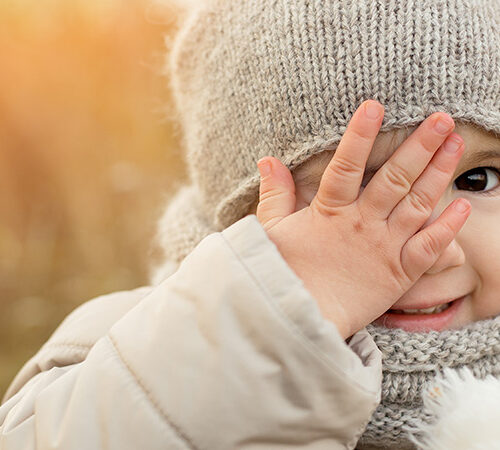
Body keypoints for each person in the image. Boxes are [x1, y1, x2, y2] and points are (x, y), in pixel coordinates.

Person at [1, 0, 500, 449]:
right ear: (239, 206)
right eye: (356, 193)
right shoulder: (134, 349)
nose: (432, 248)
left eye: (477, 180)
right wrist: (269, 321)